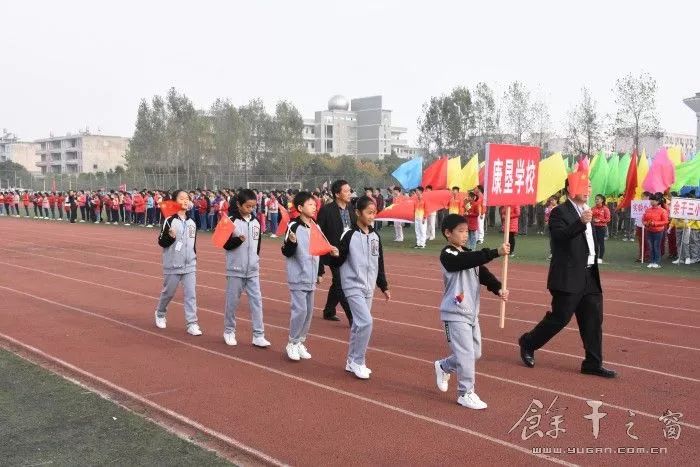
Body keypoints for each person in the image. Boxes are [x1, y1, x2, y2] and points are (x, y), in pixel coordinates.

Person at [518, 179, 616, 378]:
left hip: (589, 274)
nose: (589, 189)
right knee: (560, 318)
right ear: (571, 189)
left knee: (593, 319)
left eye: (590, 185)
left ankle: (593, 363)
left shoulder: (588, 209)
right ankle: (528, 342)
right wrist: (580, 223)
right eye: (584, 185)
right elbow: (560, 237)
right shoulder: (559, 212)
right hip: (568, 275)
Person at [433, 214, 509, 409]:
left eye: (467, 231)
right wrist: (495, 252)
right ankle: (465, 393)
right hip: (454, 313)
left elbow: (483, 273)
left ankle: (444, 366)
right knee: (466, 355)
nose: (465, 235)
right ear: (448, 233)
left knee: (474, 354)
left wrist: (498, 288)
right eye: (461, 231)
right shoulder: (448, 255)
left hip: (471, 314)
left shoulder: (469, 255)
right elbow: (465, 260)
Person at [330, 196, 390, 379]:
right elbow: (339, 260)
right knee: (366, 322)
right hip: (352, 286)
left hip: (368, 287)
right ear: (358, 213)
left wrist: (383, 285)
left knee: (358, 325)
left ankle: (351, 361)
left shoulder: (375, 236)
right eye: (369, 212)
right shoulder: (349, 235)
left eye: (374, 213)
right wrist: (335, 254)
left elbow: (379, 262)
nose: (372, 216)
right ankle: (358, 361)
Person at [281, 192, 339, 361]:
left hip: (311, 276)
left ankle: (300, 341)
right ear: (300, 208)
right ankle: (291, 342)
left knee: (308, 313)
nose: (314, 207)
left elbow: (319, 250)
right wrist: (291, 242)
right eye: (310, 205)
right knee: (300, 311)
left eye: (315, 204)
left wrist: (321, 270)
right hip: (298, 275)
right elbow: (286, 252)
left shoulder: (316, 227)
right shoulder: (294, 227)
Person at [221, 189, 270, 348]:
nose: (251, 209)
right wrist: (238, 241)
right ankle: (229, 331)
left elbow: (258, 246)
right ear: (239, 204)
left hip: (253, 270)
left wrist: (256, 260)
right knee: (232, 302)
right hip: (236, 269)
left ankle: (258, 334)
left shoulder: (256, 222)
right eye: (248, 206)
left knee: (257, 302)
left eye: (253, 206)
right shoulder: (230, 221)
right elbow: (224, 244)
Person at [154, 190, 202, 336]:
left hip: (190, 265)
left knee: (191, 294)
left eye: (187, 199)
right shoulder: (169, 220)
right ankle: (160, 313)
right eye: (182, 198)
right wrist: (170, 237)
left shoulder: (192, 222)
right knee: (168, 293)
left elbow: (192, 244)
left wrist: (193, 257)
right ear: (175, 201)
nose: (186, 201)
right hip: (173, 264)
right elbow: (161, 242)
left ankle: (192, 323)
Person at [317, 179, 357, 324]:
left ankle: (329, 310)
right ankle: (353, 317)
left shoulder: (351, 208)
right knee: (341, 283)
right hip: (333, 253)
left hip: (349, 251)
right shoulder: (327, 210)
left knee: (337, 283)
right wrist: (320, 263)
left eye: (349, 190)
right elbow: (319, 234)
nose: (349, 193)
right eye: (346, 191)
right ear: (337, 194)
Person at [642, 193, 668, 269]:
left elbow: (665, 221)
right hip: (649, 230)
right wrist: (645, 223)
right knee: (650, 246)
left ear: (658, 201)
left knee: (656, 246)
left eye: (653, 200)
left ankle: (657, 262)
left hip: (658, 231)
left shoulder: (662, 211)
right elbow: (644, 218)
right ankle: (652, 261)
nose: (651, 202)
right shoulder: (648, 210)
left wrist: (654, 223)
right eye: (651, 200)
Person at [591, 194, 611, 264]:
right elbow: (590, 217)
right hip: (593, 227)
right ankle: (594, 257)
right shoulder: (593, 208)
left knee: (601, 243)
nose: (596, 200)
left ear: (602, 200)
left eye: (598, 199)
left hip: (601, 228)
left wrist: (600, 220)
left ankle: (600, 258)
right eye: (595, 199)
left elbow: (608, 219)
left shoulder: (605, 209)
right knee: (593, 243)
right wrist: (593, 219)